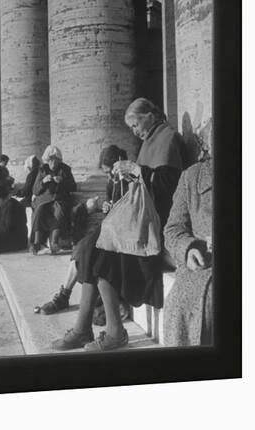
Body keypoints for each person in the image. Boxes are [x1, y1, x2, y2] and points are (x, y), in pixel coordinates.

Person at [52, 98, 184, 351]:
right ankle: (82, 329)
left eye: (135, 124)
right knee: (89, 246)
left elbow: (170, 186)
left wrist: (136, 170)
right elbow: (145, 181)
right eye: (132, 128)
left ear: (149, 115)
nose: (135, 131)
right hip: (139, 220)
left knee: (101, 253)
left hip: (155, 226)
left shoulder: (168, 138)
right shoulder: (149, 142)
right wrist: (129, 174)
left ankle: (115, 331)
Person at [36, 146, 126, 315]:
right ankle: (63, 295)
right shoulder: (112, 182)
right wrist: (107, 206)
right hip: (110, 227)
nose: (109, 176)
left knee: (86, 249)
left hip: (122, 232)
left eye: (110, 172)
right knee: (82, 248)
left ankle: (64, 296)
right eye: (107, 173)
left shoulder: (128, 180)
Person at [163, 120, 213, 347]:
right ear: (206, 144)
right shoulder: (191, 177)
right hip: (202, 266)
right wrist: (189, 249)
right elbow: (173, 229)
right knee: (182, 308)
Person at [30, 145, 77, 254]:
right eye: (51, 160)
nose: (53, 163)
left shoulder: (65, 169)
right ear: (47, 160)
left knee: (59, 212)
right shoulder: (42, 170)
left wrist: (63, 181)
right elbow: (35, 190)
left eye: (55, 160)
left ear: (59, 160)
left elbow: (73, 186)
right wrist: (43, 182)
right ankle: (37, 242)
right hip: (44, 200)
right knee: (39, 211)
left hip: (60, 199)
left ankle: (54, 242)